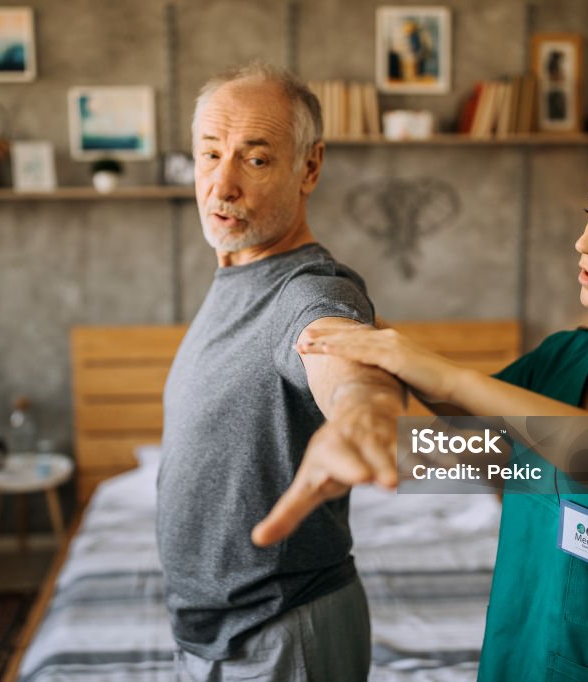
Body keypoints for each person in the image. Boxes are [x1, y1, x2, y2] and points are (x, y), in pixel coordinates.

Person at [253, 116, 588, 681]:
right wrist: (357, 328)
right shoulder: (563, 360)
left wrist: (450, 375)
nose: (585, 242)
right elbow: (477, 432)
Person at [156, 62, 403, 682]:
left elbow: (335, 343)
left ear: (309, 168)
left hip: (283, 634)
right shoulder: (236, 277)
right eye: (210, 155)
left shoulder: (307, 287)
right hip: (213, 636)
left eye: (256, 160)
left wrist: (362, 408)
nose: (222, 185)